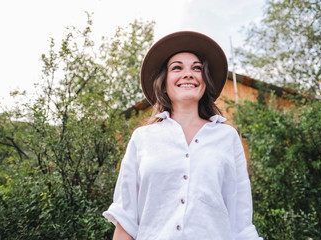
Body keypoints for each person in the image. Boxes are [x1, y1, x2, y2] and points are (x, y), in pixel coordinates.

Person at [103, 31, 263, 240]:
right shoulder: (142, 139)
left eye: (197, 68)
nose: (189, 74)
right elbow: (126, 220)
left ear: (204, 81)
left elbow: (240, 223)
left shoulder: (228, 138)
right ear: (164, 81)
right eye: (177, 68)